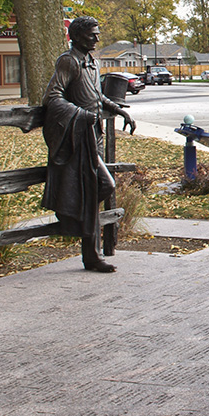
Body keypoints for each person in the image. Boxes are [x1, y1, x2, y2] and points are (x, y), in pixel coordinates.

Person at [42, 17, 136, 272]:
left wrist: (119, 110)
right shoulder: (68, 61)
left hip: (93, 136)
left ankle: (89, 252)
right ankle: (75, 224)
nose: (97, 38)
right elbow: (52, 96)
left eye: (97, 33)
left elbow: (97, 95)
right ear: (77, 36)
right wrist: (81, 115)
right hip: (76, 138)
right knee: (105, 184)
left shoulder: (92, 62)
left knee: (92, 191)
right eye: (92, 34)